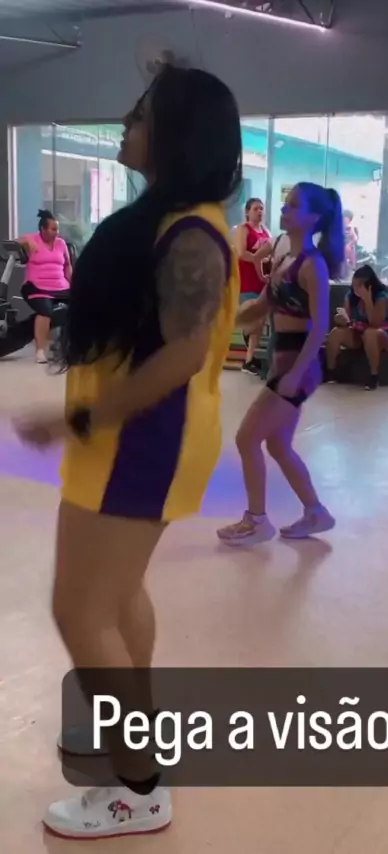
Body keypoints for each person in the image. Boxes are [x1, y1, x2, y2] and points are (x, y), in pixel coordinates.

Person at [14, 61, 242, 839]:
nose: (125, 123)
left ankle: (137, 787)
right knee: (117, 598)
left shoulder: (191, 234)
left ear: (176, 135)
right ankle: (133, 732)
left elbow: (183, 355)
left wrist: (77, 420)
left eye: (139, 114)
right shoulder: (179, 219)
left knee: (77, 608)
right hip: (138, 441)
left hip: (141, 444)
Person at [217, 182, 344, 547]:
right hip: (282, 360)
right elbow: (261, 307)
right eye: (285, 204)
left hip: (298, 365)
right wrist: (221, 320)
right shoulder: (283, 256)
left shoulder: (313, 266)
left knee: (246, 438)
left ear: (314, 218)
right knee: (277, 445)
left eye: (293, 206)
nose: (284, 210)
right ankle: (316, 512)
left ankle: (256, 521)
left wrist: (296, 375)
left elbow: (319, 326)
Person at [17, 210, 72, 364]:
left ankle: (64, 345)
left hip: (61, 286)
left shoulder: (61, 244)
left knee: (79, 306)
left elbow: (67, 266)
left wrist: (74, 285)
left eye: (57, 229)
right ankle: (40, 352)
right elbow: (15, 242)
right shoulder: (32, 240)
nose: (57, 232)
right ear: (42, 229)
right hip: (37, 286)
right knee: (45, 311)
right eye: (53, 229)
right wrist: (26, 241)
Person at [326, 264, 388, 390]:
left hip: (379, 334)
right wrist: (341, 319)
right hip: (358, 332)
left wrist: (367, 300)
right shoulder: (350, 296)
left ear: (368, 286)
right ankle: (331, 372)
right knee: (335, 333)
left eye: (359, 286)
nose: (355, 289)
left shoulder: (381, 297)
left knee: (370, 333)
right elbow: (348, 320)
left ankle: (374, 375)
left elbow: (375, 323)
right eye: (354, 285)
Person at [233, 197, 272, 374]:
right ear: (247, 212)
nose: (259, 212)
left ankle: (249, 360)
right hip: (248, 281)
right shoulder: (243, 229)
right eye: (255, 209)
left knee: (260, 320)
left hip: (263, 281)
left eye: (261, 208)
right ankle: (242, 330)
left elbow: (270, 252)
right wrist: (258, 259)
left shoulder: (266, 231)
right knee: (253, 319)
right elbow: (242, 253)